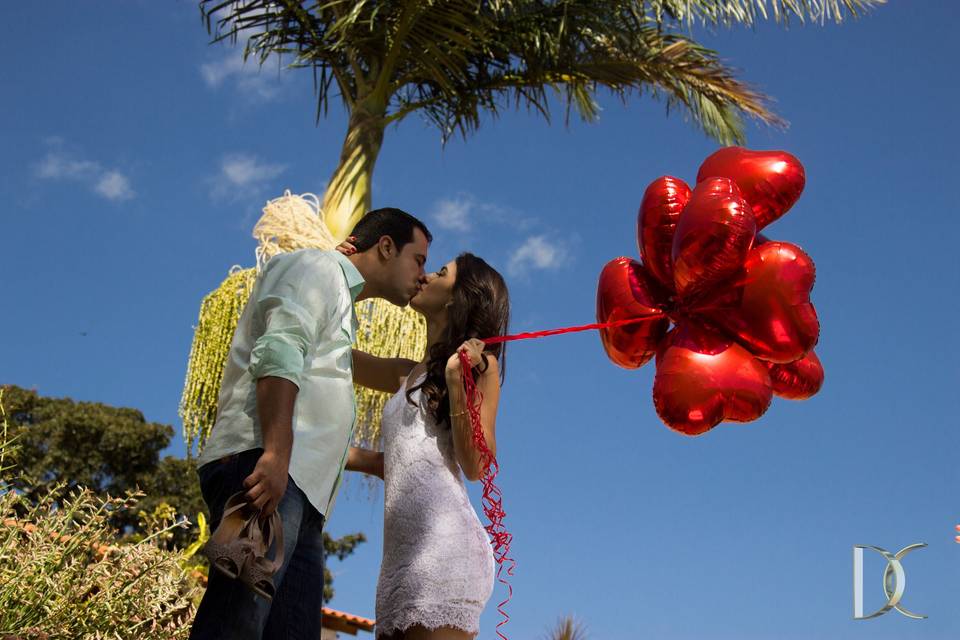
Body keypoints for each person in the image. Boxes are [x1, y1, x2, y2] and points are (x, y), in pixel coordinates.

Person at [190, 208, 432, 640]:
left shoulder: (338, 300)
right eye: (420, 260)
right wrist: (276, 453)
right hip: (264, 471)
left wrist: (448, 364)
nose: (423, 275)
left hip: (301, 496)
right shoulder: (316, 267)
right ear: (386, 247)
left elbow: (379, 374)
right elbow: (280, 350)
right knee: (236, 626)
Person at [345, 251, 511, 640]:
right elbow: (336, 358)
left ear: (458, 298)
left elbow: (476, 466)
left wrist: (457, 380)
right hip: (398, 562)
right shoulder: (406, 373)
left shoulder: (480, 365)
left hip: (445, 554)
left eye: (440, 272)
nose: (426, 275)